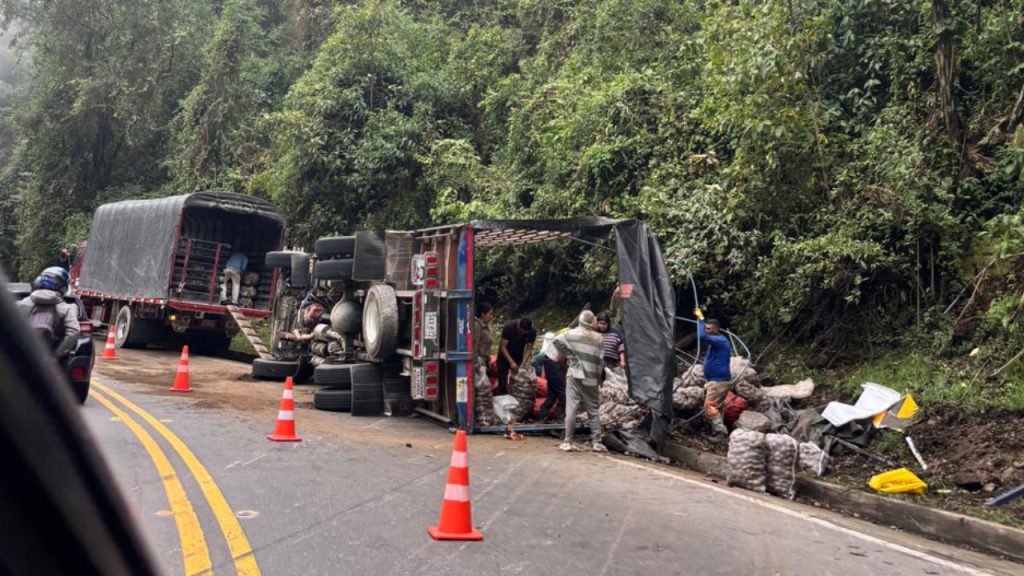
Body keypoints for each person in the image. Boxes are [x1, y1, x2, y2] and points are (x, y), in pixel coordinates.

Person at [554, 310, 606, 452]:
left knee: (571, 408)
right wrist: (601, 378)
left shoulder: (572, 334)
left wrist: (571, 355)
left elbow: (556, 340)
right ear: (591, 322)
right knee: (593, 410)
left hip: (575, 374)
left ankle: (568, 441)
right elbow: (601, 361)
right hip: (592, 376)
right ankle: (597, 442)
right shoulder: (599, 338)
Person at [17, 267, 80, 356]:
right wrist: (56, 354)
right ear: (62, 286)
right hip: (47, 360)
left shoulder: (22, 303)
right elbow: (74, 332)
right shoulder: (66, 308)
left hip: (20, 355)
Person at [695, 308, 733, 442]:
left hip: (719, 382)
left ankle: (721, 433)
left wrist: (700, 319)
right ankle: (717, 432)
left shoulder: (720, 340)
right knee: (716, 408)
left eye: (709, 329)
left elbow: (701, 337)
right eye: (706, 328)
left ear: (717, 329)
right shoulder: (716, 341)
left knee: (709, 407)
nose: (707, 330)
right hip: (716, 381)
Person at [496, 317, 536, 396]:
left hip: (518, 354)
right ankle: (502, 397)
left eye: (525, 333)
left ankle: (514, 399)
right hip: (504, 355)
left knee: (517, 380)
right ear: (518, 326)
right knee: (502, 382)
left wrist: (522, 364)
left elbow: (529, 348)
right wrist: (511, 362)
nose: (523, 334)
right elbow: (503, 347)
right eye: (522, 332)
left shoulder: (532, 331)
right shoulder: (509, 328)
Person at [535, 331, 567, 422]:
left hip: (551, 363)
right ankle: (558, 418)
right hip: (554, 363)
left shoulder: (567, 335)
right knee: (564, 393)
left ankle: (542, 417)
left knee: (552, 394)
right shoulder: (574, 338)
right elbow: (563, 360)